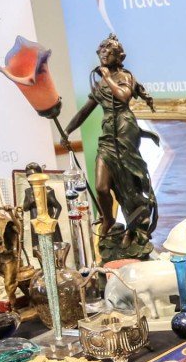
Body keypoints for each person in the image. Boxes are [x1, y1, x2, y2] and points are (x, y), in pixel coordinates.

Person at [65, 33, 158, 259]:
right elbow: (85, 111)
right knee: (101, 187)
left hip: (125, 131)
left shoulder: (125, 76)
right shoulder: (99, 84)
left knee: (128, 184)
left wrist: (108, 78)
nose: (104, 54)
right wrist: (67, 131)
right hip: (107, 135)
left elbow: (124, 97)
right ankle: (108, 218)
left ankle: (134, 228)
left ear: (118, 56)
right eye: (102, 51)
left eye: (109, 51)